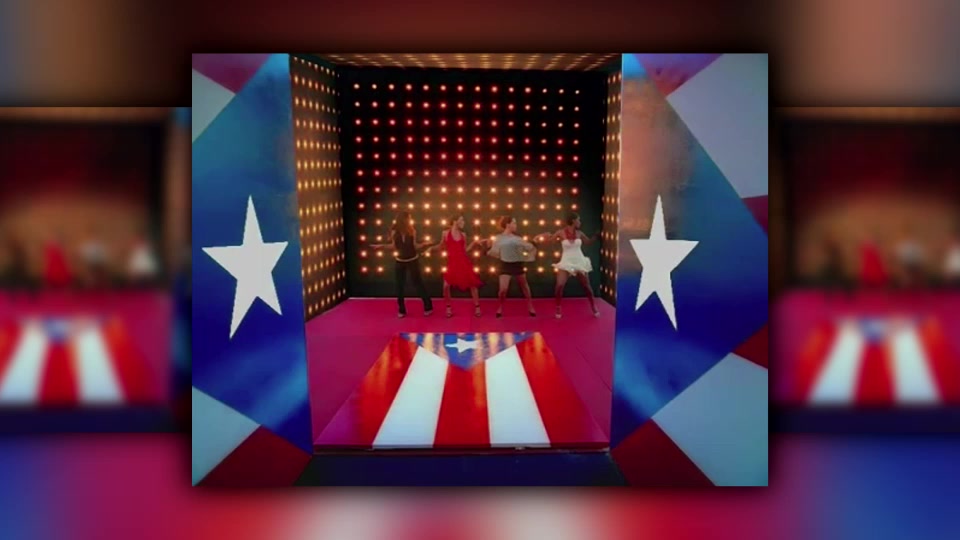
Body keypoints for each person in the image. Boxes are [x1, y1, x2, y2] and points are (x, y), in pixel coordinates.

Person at [369, 211, 434, 318]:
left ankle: (428, 306)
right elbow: (394, 246)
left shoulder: (412, 230)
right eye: (409, 218)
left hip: (412, 259)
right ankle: (401, 310)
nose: (410, 220)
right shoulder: (394, 231)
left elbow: (415, 246)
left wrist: (424, 244)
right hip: (400, 261)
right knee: (399, 286)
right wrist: (381, 246)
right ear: (404, 219)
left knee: (418, 283)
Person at [537, 212, 600, 318]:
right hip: (566, 262)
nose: (580, 222)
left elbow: (588, 242)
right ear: (573, 221)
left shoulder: (579, 233)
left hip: (579, 261)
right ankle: (558, 307)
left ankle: (593, 306)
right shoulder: (560, 232)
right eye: (578, 220)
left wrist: (596, 236)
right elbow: (550, 240)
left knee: (587, 286)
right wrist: (543, 236)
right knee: (559, 285)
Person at [429, 213, 484, 318]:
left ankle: (477, 306)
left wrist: (474, 243)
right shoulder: (445, 233)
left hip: (463, 262)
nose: (463, 222)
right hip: (452, 263)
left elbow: (465, 250)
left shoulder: (463, 235)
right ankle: (448, 307)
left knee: (473, 284)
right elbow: (441, 246)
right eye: (461, 220)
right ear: (455, 221)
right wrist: (431, 248)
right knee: (446, 286)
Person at [487, 215, 538, 318]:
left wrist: (534, 242)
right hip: (505, 265)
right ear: (507, 225)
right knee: (503, 289)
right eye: (514, 223)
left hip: (517, 264)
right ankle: (500, 307)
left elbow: (528, 247)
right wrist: (488, 247)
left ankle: (530, 306)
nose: (516, 225)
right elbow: (494, 252)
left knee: (524, 286)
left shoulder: (517, 238)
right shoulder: (498, 238)